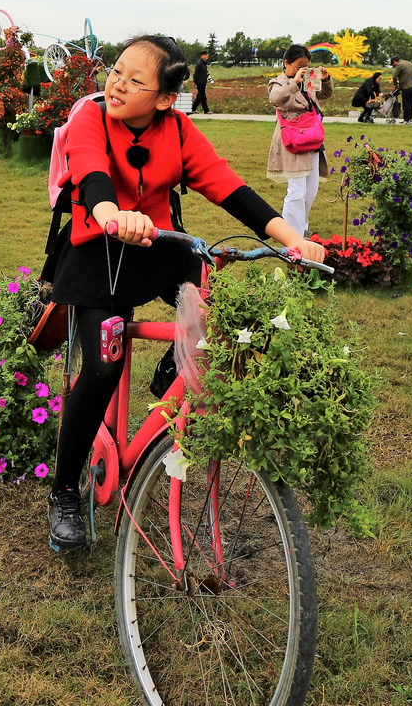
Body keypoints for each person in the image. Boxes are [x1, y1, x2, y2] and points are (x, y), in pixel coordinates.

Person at [46, 35, 325, 549]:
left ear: (163, 99)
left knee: (208, 290)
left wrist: (293, 240)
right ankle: (64, 490)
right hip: (95, 251)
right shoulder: (90, 117)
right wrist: (110, 214)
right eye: (117, 70)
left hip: (155, 245)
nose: (117, 83)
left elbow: (228, 187)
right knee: (102, 366)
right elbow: (90, 171)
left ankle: (177, 364)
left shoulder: (177, 129)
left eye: (135, 79)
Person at [267, 44, 334, 237]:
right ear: (286, 63)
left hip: (312, 139)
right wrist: (294, 82)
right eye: (298, 66)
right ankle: (291, 232)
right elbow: (275, 99)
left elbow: (325, 94)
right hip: (293, 141)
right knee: (296, 190)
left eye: (306, 66)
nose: (302, 70)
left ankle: (302, 227)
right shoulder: (278, 83)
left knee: (310, 190)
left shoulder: (308, 81)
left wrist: (326, 79)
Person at [391, 55, 412, 124]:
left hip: (406, 87)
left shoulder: (399, 65)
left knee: (406, 103)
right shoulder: (409, 63)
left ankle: (406, 119)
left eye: (393, 64)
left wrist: (395, 85)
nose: (393, 66)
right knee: (411, 103)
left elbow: (394, 77)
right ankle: (409, 119)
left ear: (395, 61)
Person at [191, 50, 211, 114]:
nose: (207, 56)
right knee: (202, 96)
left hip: (203, 81)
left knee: (199, 96)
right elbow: (196, 73)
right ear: (202, 55)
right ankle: (206, 110)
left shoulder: (204, 63)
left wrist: (206, 79)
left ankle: (192, 109)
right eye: (206, 54)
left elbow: (204, 73)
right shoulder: (199, 63)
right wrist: (195, 81)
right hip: (200, 82)